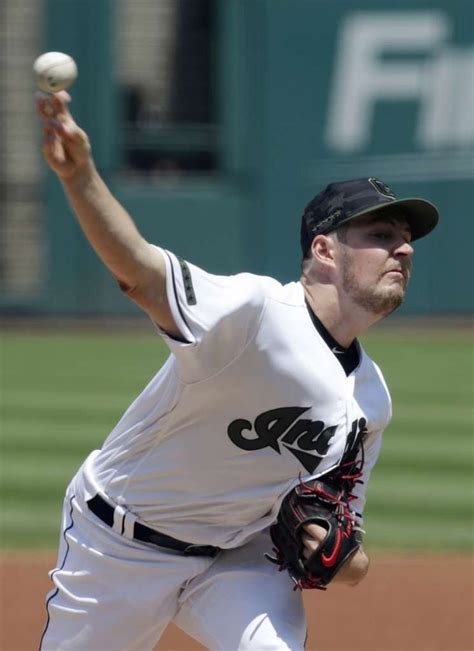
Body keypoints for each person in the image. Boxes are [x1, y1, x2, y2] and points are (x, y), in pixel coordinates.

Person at [37, 91, 438, 651]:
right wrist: (80, 179)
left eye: (406, 239)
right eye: (380, 236)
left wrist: (339, 551)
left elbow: (350, 551)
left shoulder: (371, 401)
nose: (403, 250)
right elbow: (140, 274)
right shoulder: (256, 313)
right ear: (324, 250)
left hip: (237, 562)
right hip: (118, 545)